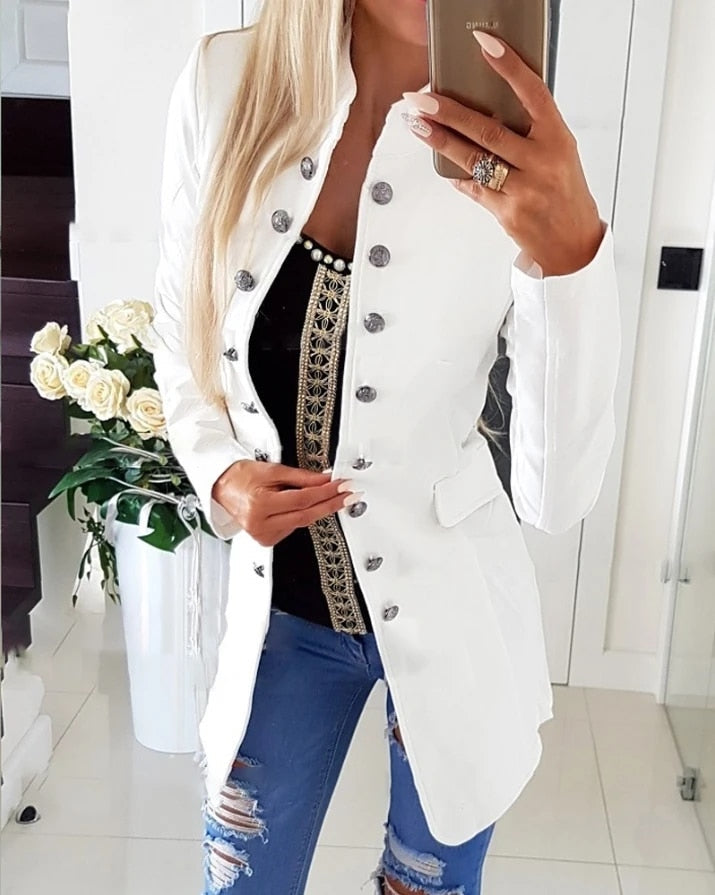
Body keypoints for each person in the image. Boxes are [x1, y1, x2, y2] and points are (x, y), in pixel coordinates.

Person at [150, 1, 621, 892]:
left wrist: (570, 264)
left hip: (455, 613)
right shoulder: (223, 83)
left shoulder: (524, 151)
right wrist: (218, 472)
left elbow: (556, 496)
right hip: (281, 618)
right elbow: (181, 334)